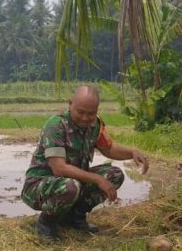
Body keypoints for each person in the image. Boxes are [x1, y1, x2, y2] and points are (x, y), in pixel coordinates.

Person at [21, 84, 149, 240]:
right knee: (71, 186)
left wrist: (132, 153)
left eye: (91, 113)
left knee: (114, 175)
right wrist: (98, 179)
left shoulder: (95, 125)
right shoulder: (55, 125)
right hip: (39, 186)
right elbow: (59, 168)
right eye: (80, 112)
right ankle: (47, 222)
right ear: (70, 104)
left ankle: (75, 217)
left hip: (73, 182)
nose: (85, 118)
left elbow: (109, 149)